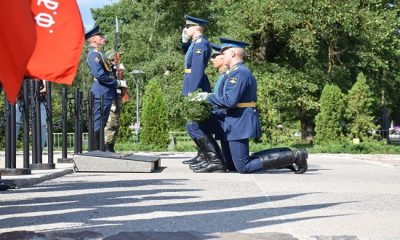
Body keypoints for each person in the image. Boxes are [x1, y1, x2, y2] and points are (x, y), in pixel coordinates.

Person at [196, 38, 308, 174]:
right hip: (233, 120)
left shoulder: (239, 73)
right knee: (232, 165)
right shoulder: (234, 72)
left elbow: (230, 101)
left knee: (243, 166)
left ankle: (295, 156)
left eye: (224, 53)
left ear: (232, 53)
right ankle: (285, 155)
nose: (221, 56)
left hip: (239, 121)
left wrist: (208, 97)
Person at [185, 43, 234, 172]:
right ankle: (209, 158)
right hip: (222, 116)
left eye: (215, 56)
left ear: (223, 59)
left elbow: (226, 101)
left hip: (227, 120)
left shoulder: (229, 76)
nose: (211, 60)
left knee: (193, 124)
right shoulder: (223, 75)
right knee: (192, 123)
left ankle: (214, 161)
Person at [85, 25, 127, 150]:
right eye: (101, 37)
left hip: (107, 92)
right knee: (98, 121)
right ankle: (96, 148)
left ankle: (100, 148)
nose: (103, 38)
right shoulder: (94, 55)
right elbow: (100, 75)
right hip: (100, 91)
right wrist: (117, 84)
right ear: (93, 40)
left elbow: (108, 71)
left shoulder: (101, 54)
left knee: (102, 121)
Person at [181, 15, 212, 96]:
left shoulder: (200, 43)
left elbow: (197, 68)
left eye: (188, 26)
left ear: (196, 27)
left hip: (194, 81)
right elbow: (189, 57)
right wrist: (185, 42)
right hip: (189, 78)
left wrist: (193, 91)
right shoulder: (195, 43)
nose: (186, 29)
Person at [16, 79, 47, 151]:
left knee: (42, 124)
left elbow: (46, 87)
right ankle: (11, 148)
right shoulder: (21, 71)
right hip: (21, 99)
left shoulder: (42, 72)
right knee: (14, 122)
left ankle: (39, 150)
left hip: (39, 100)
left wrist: (34, 93)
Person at [104, 50, 123, 152]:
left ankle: (111, 144)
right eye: (116, 59)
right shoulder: (108, 70)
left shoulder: (117, 69)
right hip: (110, 98)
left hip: (116, 97)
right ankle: (107, 145)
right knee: (110, 123)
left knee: (115, 123)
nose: (118, 60)